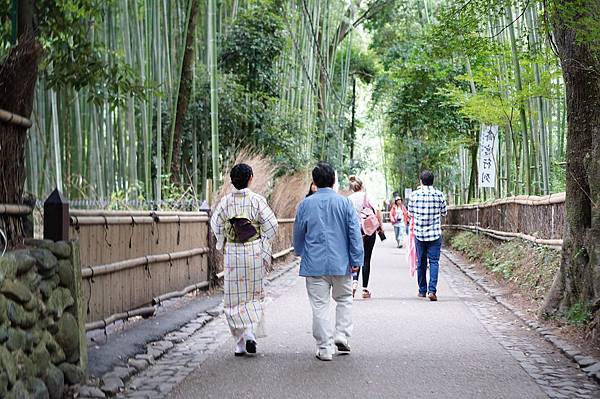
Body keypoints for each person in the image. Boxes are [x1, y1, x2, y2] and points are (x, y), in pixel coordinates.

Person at [293, 162, 364, 361]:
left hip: (314, 263)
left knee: (319, 305)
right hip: (341, 261)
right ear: (333, 180)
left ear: (314, 182)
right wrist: (357, 258)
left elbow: (298, 233)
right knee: (344, 299)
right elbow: (354, 233)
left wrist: (299, 251)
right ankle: (341, 335)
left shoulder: (305, 205)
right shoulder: (345, 203)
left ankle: (324, 348)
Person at [210, 163, 279, 356]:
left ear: (232, 181)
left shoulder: (225, 202)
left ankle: (240, 342)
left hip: (233, 253)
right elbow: (272, 225)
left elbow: (215, 223)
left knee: (233, 298)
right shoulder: (257, 200)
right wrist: (263, 240)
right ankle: (250, 332)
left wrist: (224, 238)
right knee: (253, 295)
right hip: (254, 252)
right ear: (250, 178)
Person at [407, 170, 447, 301]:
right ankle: (432, 290)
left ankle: (422, 290)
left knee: (421, 262)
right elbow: (444, 212)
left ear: (421, 181)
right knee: (434, 262)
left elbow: (410, 213)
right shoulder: (439, 195)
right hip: (435, 233)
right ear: (432, 181)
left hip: (419, 233)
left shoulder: (414, 195)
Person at [347, 175, 383, 299]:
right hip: (368, 231)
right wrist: (380, 226)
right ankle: (365, 289)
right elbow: (378, 209)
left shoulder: (348, 199)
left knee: (355, 258)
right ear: (362, 186)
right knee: (366, 258)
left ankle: (354, 283)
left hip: (354, 232)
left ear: (352, 188)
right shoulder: (367, 196)